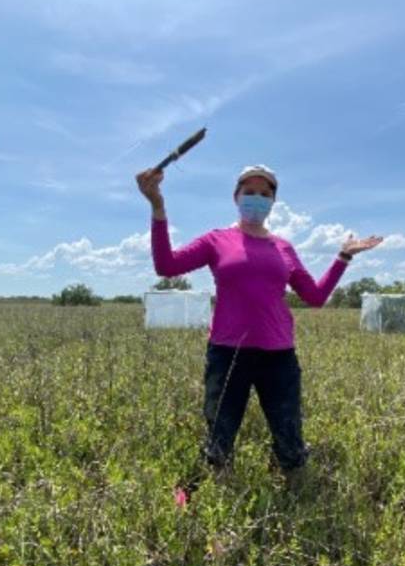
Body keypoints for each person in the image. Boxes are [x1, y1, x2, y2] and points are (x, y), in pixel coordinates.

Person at [136, 163, 382, 482]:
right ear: (236, 197)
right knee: (219, 435)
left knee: (289, 434)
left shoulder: (284, 248)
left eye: (265, 194)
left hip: (278, 354)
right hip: (227, 352)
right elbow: (166, 266)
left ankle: (295, 483)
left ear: (273, 203)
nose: (257, 198)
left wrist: (343, 257)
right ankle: (219, 489)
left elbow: (315, 297)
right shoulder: (217, 240)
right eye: (249, 192)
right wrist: (157, 206)